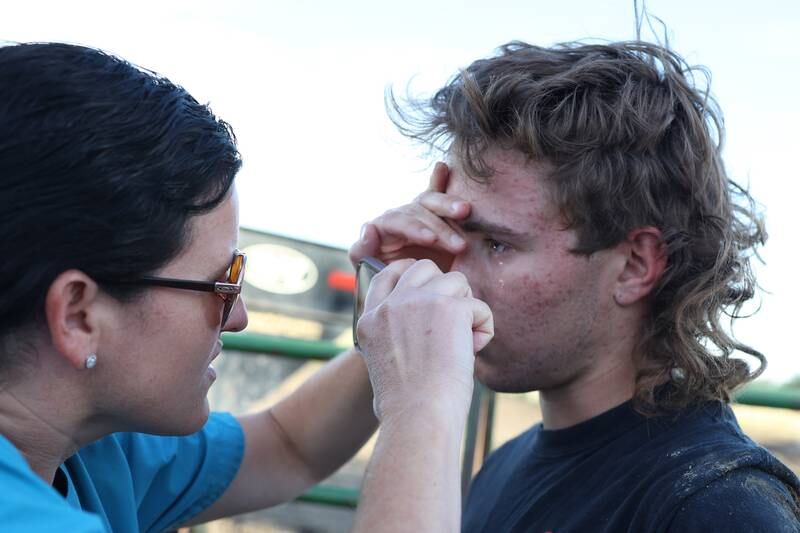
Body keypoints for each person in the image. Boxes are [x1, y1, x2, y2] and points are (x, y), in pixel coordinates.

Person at [0, 42, 491, 532]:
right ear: (78, 316)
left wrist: (397, 303)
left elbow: (286, 446)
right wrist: (423, 406)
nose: (239, 318)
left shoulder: (90, 452)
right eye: (222, 283)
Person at [350, 40, 800, 531]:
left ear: (634, 265)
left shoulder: (714, 507)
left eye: (497, 244)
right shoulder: (507, 463)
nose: (452, 278)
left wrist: (414, 409)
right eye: (456, 235)